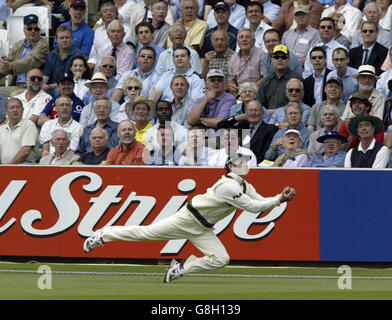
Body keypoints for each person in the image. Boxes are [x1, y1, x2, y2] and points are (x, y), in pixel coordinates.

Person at [83, 152, 296, 283]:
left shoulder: (244, 185)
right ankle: (103, 234)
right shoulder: (228, 186)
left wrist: (279, 198)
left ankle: (181, 268)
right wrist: (279, 199)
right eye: (241, 162)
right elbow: (252, 207)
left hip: (203, 228)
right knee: (145, 233)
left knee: (222, 259)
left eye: (247, 162)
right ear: (231, 167)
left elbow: (259, 201)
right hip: (187, 218)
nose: (246, 165)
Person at [0, 14, 49, 97]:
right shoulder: (17, 45)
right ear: (24, 30)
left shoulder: (43, 45)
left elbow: (31, 61)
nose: (33, 31)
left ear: (40, 31)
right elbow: (7, 65)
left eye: (36, 29)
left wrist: (11, 66)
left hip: (32, 86)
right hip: (16, 86)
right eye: (29, 28)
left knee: (14, 95)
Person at [256, 44, 303, 111]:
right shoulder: (266, 81)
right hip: (267, 118)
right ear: (272, 60)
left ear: (289, 60)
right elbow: (260, 103)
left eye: (283, 57)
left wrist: (277, 112)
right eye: (276, 57)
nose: (280, 59)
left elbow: (300, 105)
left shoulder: (297, 80)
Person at [42, 26, 84, 94]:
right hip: (52, 89)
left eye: (67, 37)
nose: (64, 40)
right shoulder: (52, 55)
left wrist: (49, 86)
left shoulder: (78, 55)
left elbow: (77, 79)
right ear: (57, 40)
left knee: (58, 91)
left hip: (72, 88)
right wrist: (41, 87)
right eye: (61, 38)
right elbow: (45, 76)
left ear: (72, 39)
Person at [0, 98, 39, 164]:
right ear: (6, 111)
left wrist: (9, 168)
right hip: (4, 167)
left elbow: (25, 151)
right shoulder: (1, 129)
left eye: (18, 107)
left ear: (23, 110)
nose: (15, 110)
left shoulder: (29, 125)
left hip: (25, 166)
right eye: (12, 108)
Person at [227, 28, 264, 95]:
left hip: (257, 93)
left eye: (247, 37)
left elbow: (265, 78)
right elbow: (230, 79)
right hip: (239, 93)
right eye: (241, 37)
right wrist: (232, 85)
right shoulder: (233, 58)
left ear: (254, 41)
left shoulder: (262, 55)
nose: (244, 39)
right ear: (238, 42)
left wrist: (250, 89)